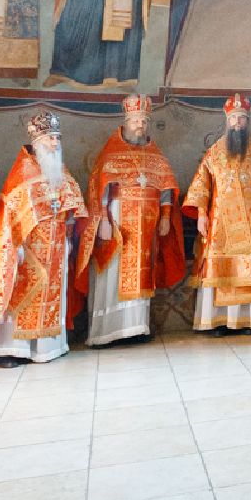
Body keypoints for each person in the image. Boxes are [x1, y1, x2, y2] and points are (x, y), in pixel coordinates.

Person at [0, 111, 87, 366]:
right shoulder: (23, 173)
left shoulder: (61, 171)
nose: (55, 143)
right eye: (50, 139)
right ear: (37, 142)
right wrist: (17, 246)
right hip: (28, 247)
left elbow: (71, 207)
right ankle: (13, 349)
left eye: (57, 138)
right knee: (22, 296)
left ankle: (46, 347)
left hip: (56, 247)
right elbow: (11, 217)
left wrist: (68, 232)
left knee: (50, 294)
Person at [80, 95, 185, 346]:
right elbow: (98, 189)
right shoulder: (111, 152)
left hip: (147, 227)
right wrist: (103, 220)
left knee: (142, 273)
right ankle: (109, 331)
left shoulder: (155, 153)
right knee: (114, 274)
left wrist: (167, 217)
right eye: (136, 120)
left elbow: (167, 188)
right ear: (126, 121)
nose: (141, 125)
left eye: (144, 121)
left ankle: (137, 327)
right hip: (117, 223)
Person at [183, 95, 251, 332]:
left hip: (250, 223)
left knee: (247, 268)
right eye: (234, 119)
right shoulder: (214, 152)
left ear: (247, 121)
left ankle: (247, 321)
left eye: (242, 118)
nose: (238, 123)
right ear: (227, 121)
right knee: (219, 271)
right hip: (220, 224)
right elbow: (202, 186)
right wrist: (201, 214)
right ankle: (217, 320)